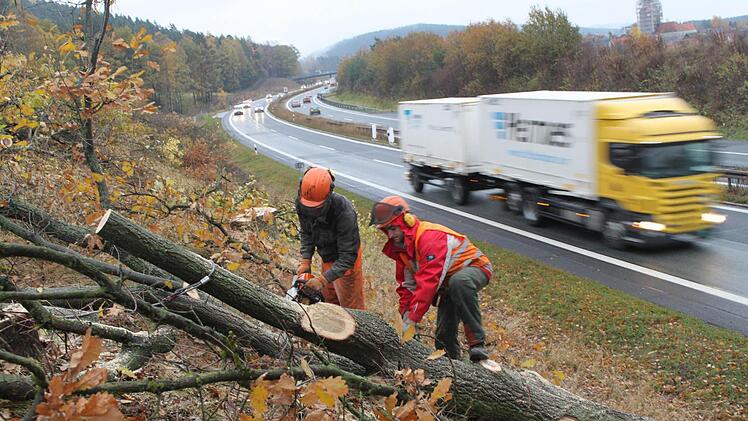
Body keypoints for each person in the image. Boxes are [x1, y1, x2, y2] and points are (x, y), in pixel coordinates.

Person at [370, 196, 492, 361]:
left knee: (460, 283)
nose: (390, 235)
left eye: (393, 229)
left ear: (407, 221)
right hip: (448, 284)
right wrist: (404, 321)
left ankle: (477, 343)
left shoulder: (430, 238)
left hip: (474, 268)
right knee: (443, 334)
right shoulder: (402, 250)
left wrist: (412, 320)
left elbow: (428, 284)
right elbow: (407, 288)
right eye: (386, 231)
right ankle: (454, 368)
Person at [295, 166, 366, 310]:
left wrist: (322, 280)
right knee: (329, 301)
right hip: (326, 256)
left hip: (346, 262)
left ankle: (356, 331)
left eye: (316, 209)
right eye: (309, 208)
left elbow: (348, 257)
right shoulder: (303, 202)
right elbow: (306, 232)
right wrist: (305, 260)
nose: (312, 212)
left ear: (328, 196)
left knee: (350, 307)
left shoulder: (344, 212)